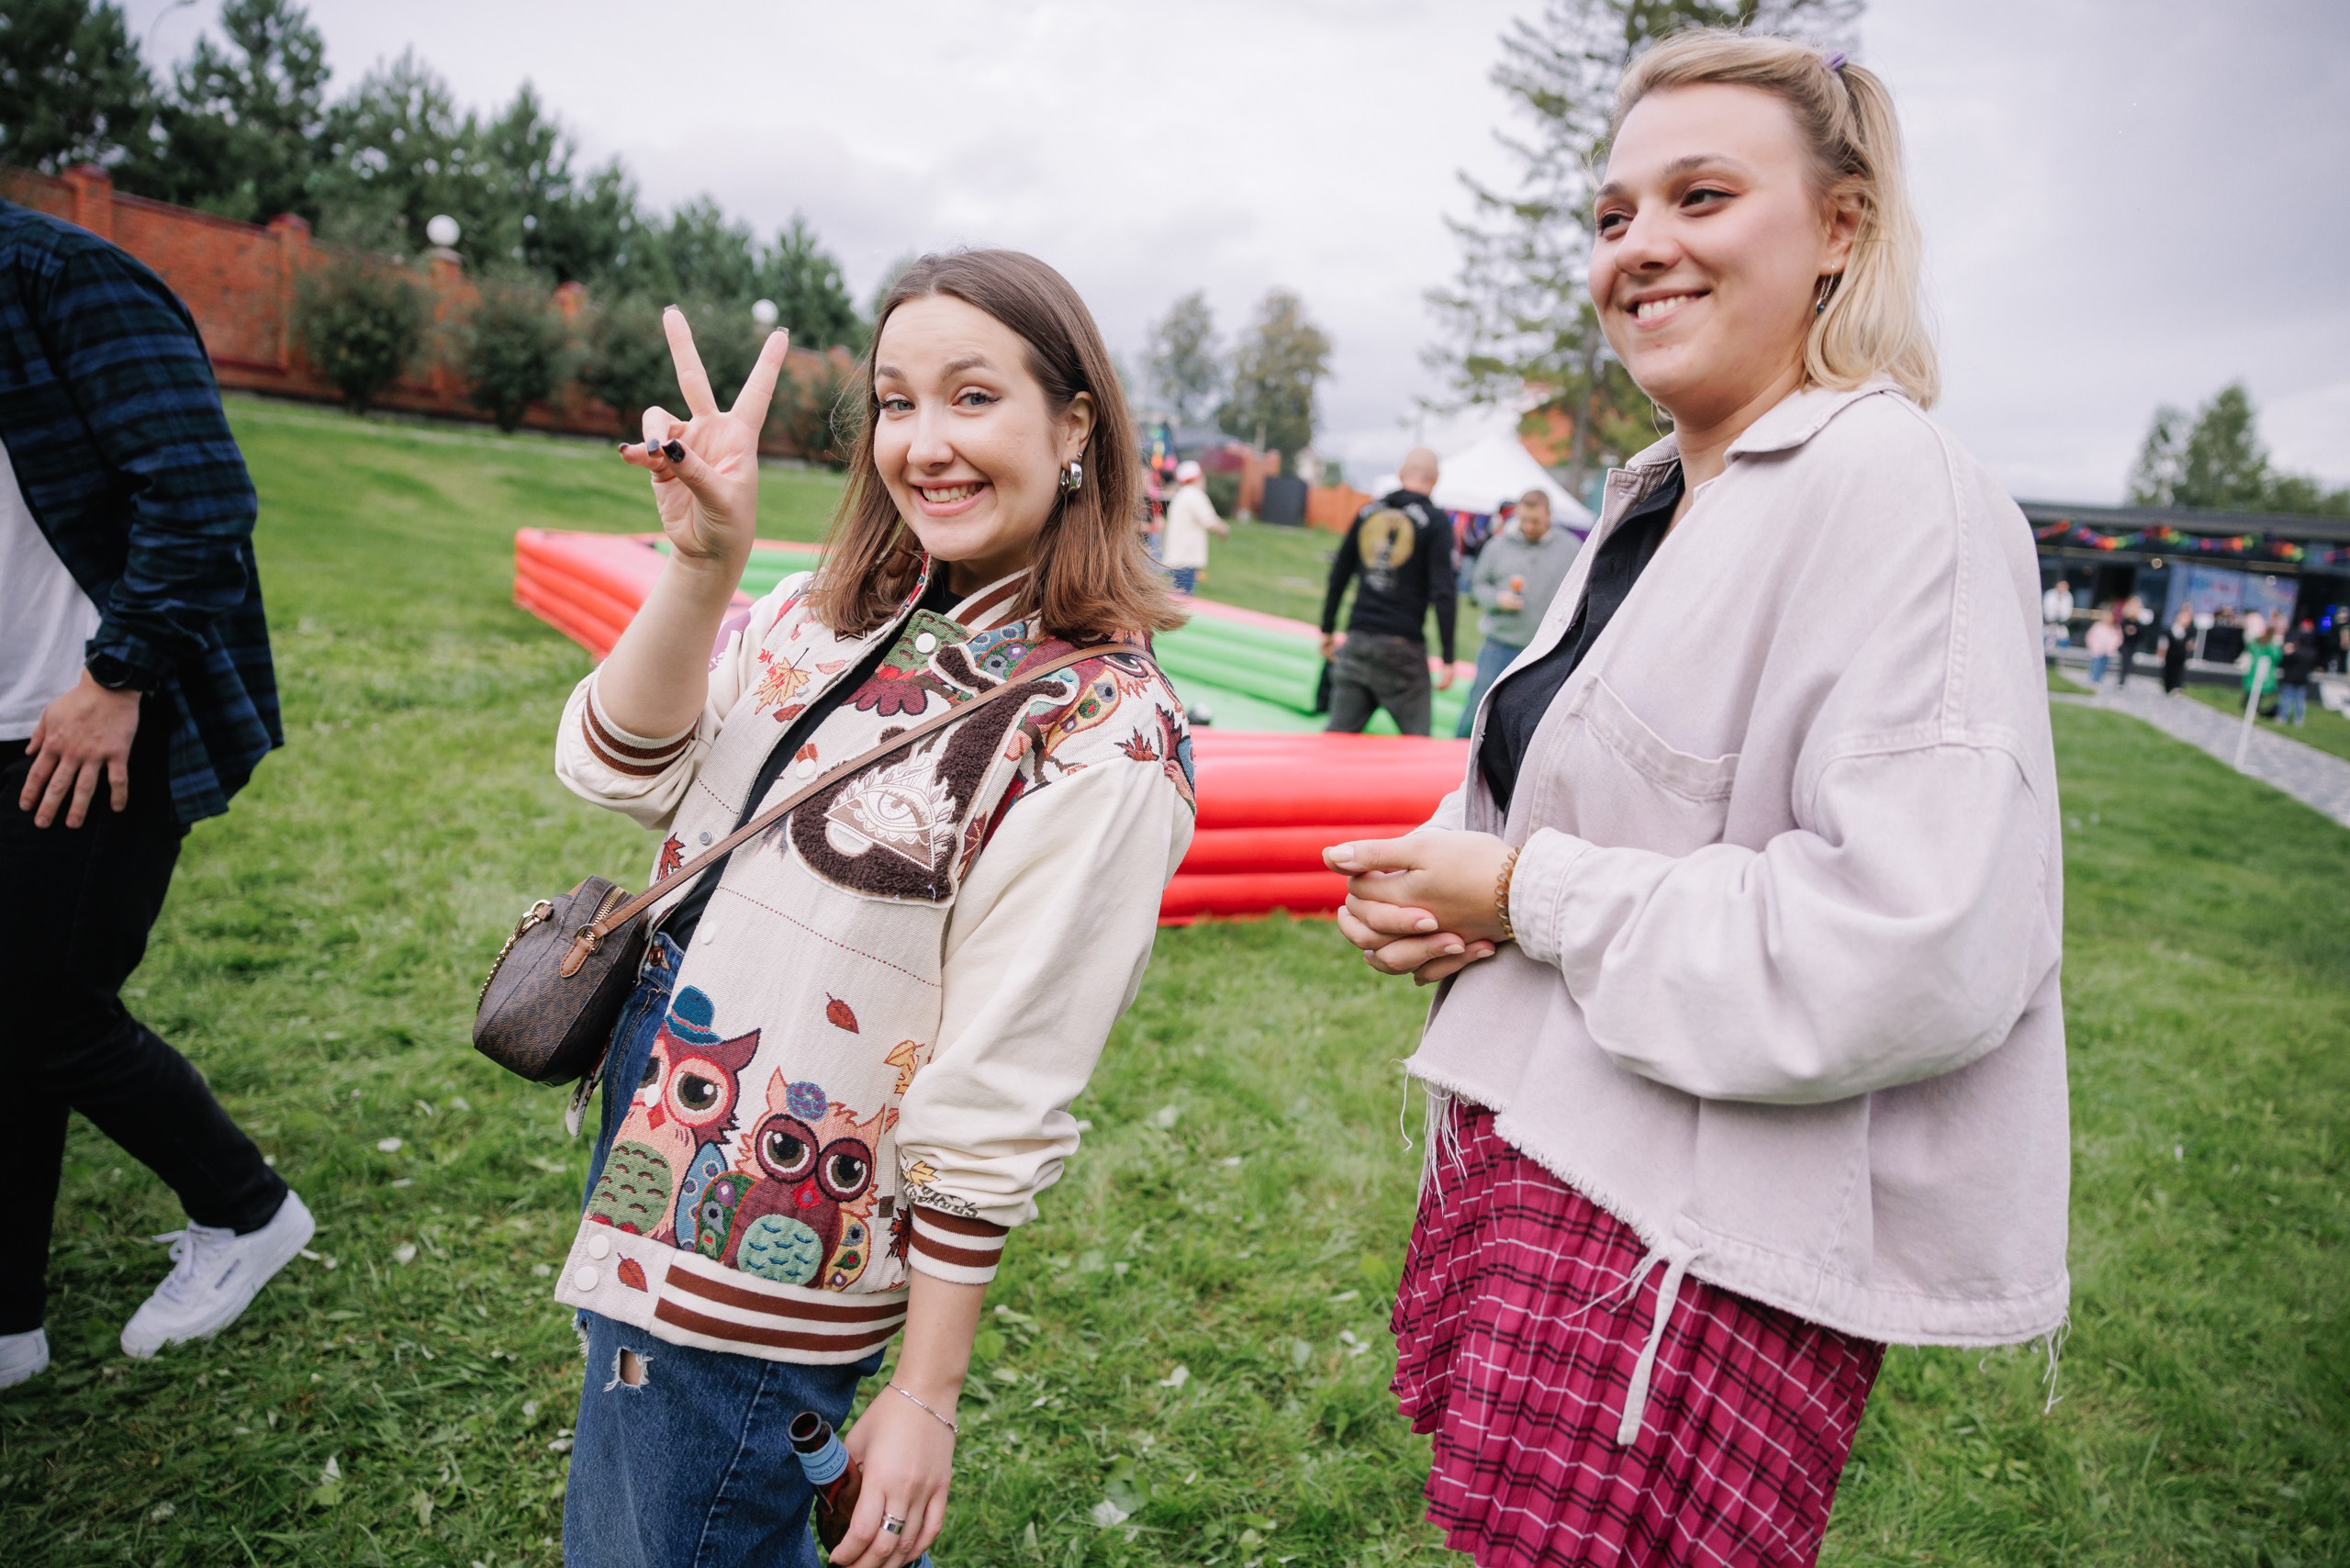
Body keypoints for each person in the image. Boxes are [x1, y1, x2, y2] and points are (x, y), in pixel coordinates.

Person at [1322, 35, 2067, 1565]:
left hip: (1693, 1244)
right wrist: (1459, 891)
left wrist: (1523, 895)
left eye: (1702, 196)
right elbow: (1614, 798)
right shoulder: (1664, 495)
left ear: (1842, 227)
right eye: (1613, 215)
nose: (1640, 245)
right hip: (1563, 1162)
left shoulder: (1897, 489)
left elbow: (1915, 940)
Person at [549, 252, 1195, 1568]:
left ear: (1074, 425)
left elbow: (1002, 1081)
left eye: (973, 397)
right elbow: (618, 767)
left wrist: (926, 1394)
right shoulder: (821, 612)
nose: (925, 442)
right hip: (649, 1129)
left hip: (777, 1236)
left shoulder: (1103, 729)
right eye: (898, 402)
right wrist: (705, 567)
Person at [0, 201, 309, 1392]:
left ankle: (248, 1209)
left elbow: (199, 499)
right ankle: (9, 1320)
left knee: (48, 1011)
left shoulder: (59, 279)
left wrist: (113, 676)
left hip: (89, 720)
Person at [1319, 447, 1458, 734]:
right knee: (1417, 748)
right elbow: (1443, 592)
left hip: (1358, 640)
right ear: (1435, 479)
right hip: (1402, 648)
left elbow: (1339, 574)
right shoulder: (1435, 521)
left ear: (1400, 473)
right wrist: (1447, 657)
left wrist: (1327, 628)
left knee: (1337, 741)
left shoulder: (1368, 512)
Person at [1456, 488, 1581, 738]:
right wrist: (1496, 598)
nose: (1529, 526)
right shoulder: (1498, 545)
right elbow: (1477, 585)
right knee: (1477, 709)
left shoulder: (1571, 549)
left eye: (1535, 521)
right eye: (1524, 520)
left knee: (1529, 717)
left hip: (1545, 651)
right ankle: (1457, 755)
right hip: (1499, 644)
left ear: (1549, 516)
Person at [1159, 457, 1227, 596]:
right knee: (1182, 601)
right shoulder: (1195, 495)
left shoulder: (1181, 495)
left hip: (1175, 558)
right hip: (1186, 560)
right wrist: (1224, 529)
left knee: (1175, 598)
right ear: (1198, 478)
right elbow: (1211, 522)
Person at [2277, 618, 2320, 725]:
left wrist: (2287, 653)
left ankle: (2282, 717)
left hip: (2290, 678)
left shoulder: (2295, 651)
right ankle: (2299, 720)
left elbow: (2284, 662)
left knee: (2286, 699)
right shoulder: (2312, 653)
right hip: (2302, 680)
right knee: (2299, 701)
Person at [2160, 604, 2196, 694]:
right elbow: (2165, 642)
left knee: (2179, 671)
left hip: (2181, 655)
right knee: (2169, 670)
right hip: (2171, 654)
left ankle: (2176, 686)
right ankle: (2168, 687)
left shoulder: (2190, 631)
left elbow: (2191, 643)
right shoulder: (2172, 629)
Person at [2085, 607, 2122, 686]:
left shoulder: (2115, 628)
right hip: (2097, 650)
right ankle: (2093, 680)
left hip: (2108, 651)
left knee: (2103, 666)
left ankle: (2098, 680)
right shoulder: (2098, 626)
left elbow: (2118, 639)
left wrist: (2114, 647)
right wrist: (2092, 645)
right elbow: (2090, 636)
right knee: (2096, 665)